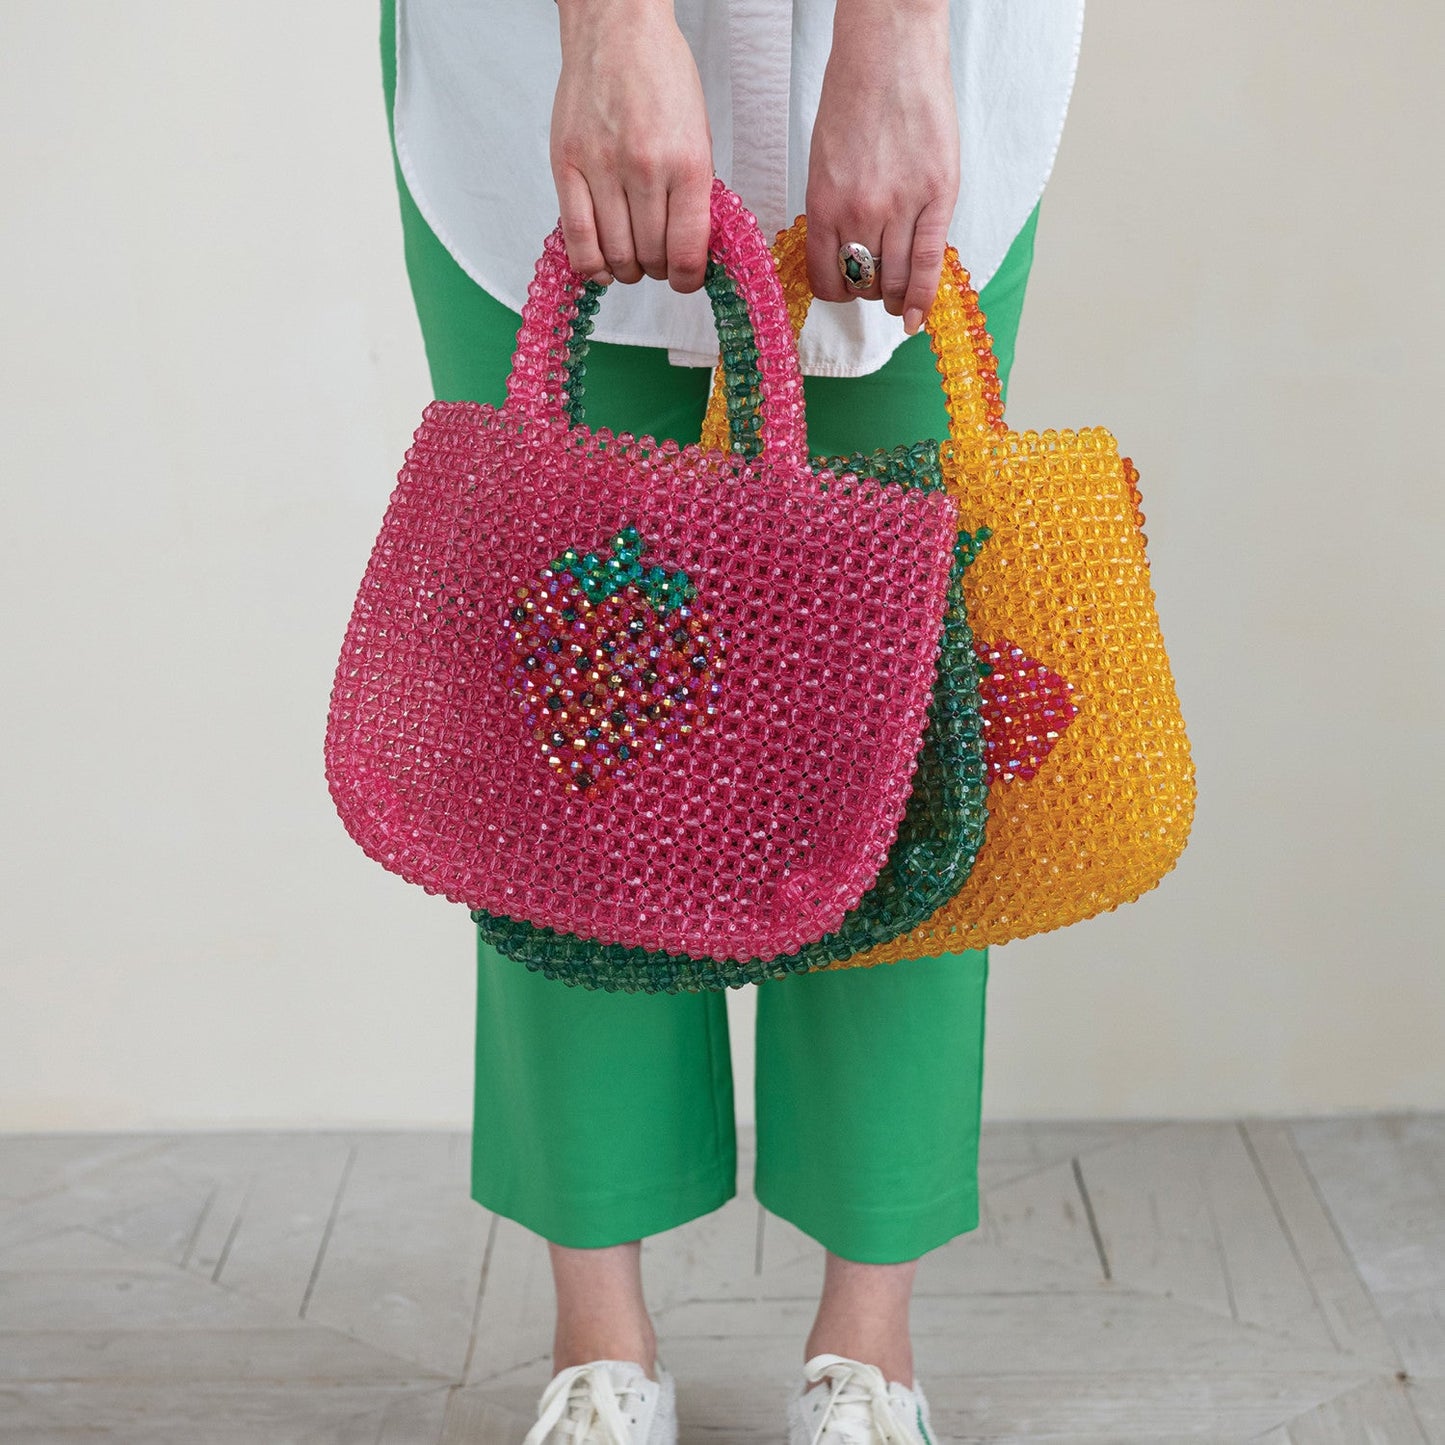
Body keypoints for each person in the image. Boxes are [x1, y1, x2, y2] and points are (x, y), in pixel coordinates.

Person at [379, 1, 1082, 1440]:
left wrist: (892, 46)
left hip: (932, 53)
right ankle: (598, 1350)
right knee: (564, 741)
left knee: (904, 739)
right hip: (527, 60)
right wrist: (611, 28)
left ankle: (871, 1354)